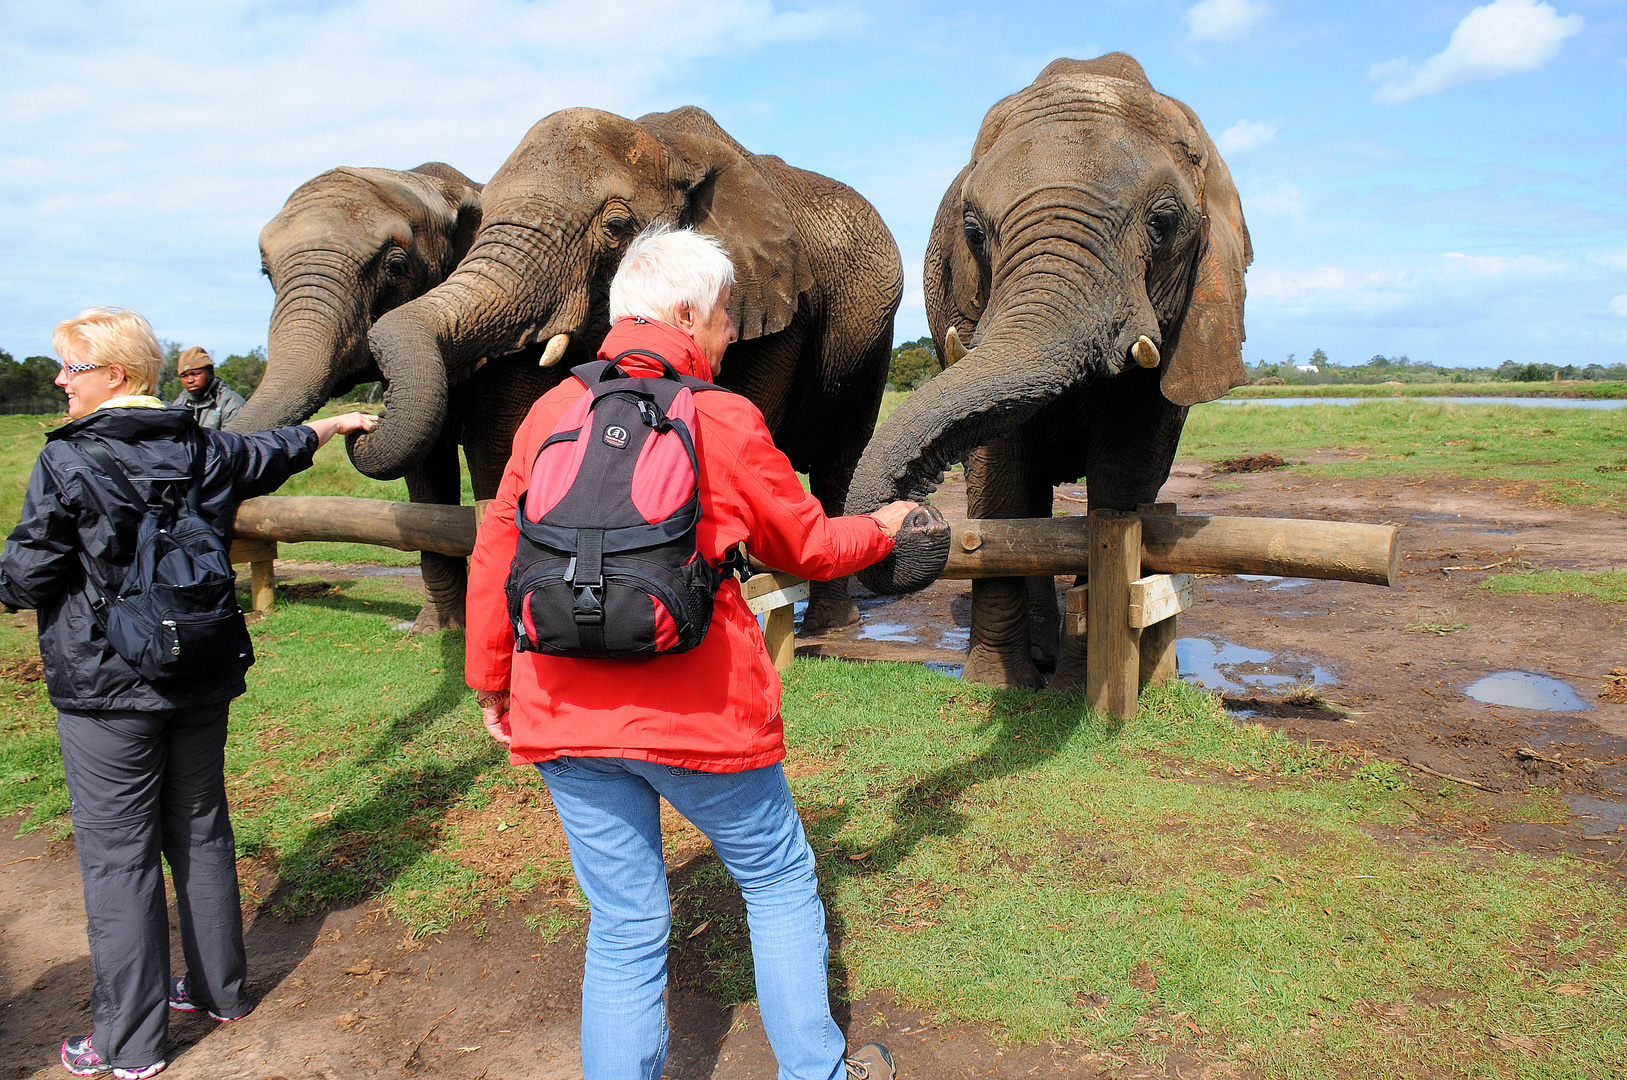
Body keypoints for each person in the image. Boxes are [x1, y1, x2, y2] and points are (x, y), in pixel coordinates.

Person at [464, 225, 917, 1080]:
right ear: (682, 312)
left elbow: (497, 554)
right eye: (722, 317)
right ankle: (815, 1073)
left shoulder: (550, 413)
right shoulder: (721, 417)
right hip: (702, 717)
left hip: (561, 710)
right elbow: (809, 547)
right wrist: (885, 528)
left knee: (624, 921)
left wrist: (493, 685)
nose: (730, 334)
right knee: (777, 879)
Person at [0, 307, 377, 1079]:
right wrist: (331, 426)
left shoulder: (68, 462)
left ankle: (129, 1046)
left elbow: (28, 574)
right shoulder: (200, 445)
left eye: (72, 367)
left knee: (119, 861)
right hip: (200, 672)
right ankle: (219, 992)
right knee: (201, 832)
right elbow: (268, 451)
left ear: (117, 375)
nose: (60, 379)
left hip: (107, 692)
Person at [170, 346, 245, 430]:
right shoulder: (180, 403)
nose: (189, 380)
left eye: (195, 374)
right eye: (184, 376)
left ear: (211, 373)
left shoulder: (231, 403)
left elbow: (233, 440)